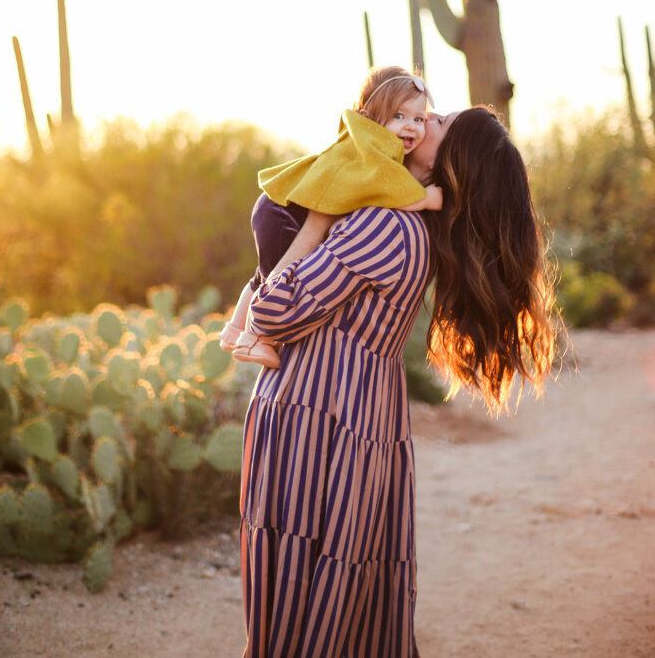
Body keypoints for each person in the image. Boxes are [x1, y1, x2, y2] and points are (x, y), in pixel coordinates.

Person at [238, 106, 557, 657]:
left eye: (438, 124)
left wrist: (313, 225)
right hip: (359, 414)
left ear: (449, 164)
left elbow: (272, 313)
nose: (424, 118)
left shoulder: (384, 224)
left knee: (299, 585)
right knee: (348, 587)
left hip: (318, 415)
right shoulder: (412, 225)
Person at [219, 66, 443, 368]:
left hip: (278, 205)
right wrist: (428, 197)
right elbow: (386, 187)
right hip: (285, 210)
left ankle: (234, 331)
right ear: (372, 117)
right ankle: (257, 339)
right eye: (399, 117)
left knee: (262, 275)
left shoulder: (367, 144)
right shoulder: (373, 149)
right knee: (281, 278)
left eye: (419, 119)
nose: (411, 127)